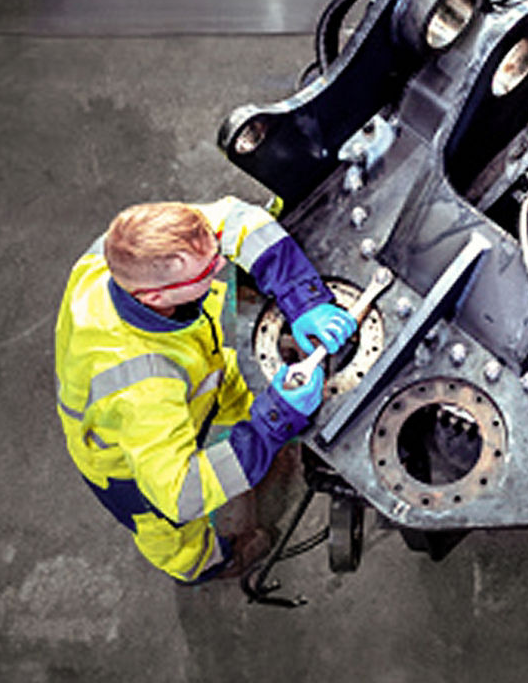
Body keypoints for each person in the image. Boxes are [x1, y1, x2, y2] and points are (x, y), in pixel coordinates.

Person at [54, 197, 356, 583]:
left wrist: (303, 299)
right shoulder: (143, 389)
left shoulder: (125, 250)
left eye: (216, 255)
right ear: (155, 298)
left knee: (236, 393)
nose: (221, 266)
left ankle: (263, 436)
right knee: (166, 526)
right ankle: (207, 564)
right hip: (123, 460)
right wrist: (275, 419)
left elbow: (234, 221)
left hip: (197, 362)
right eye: (208, 270)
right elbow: (184, 494)